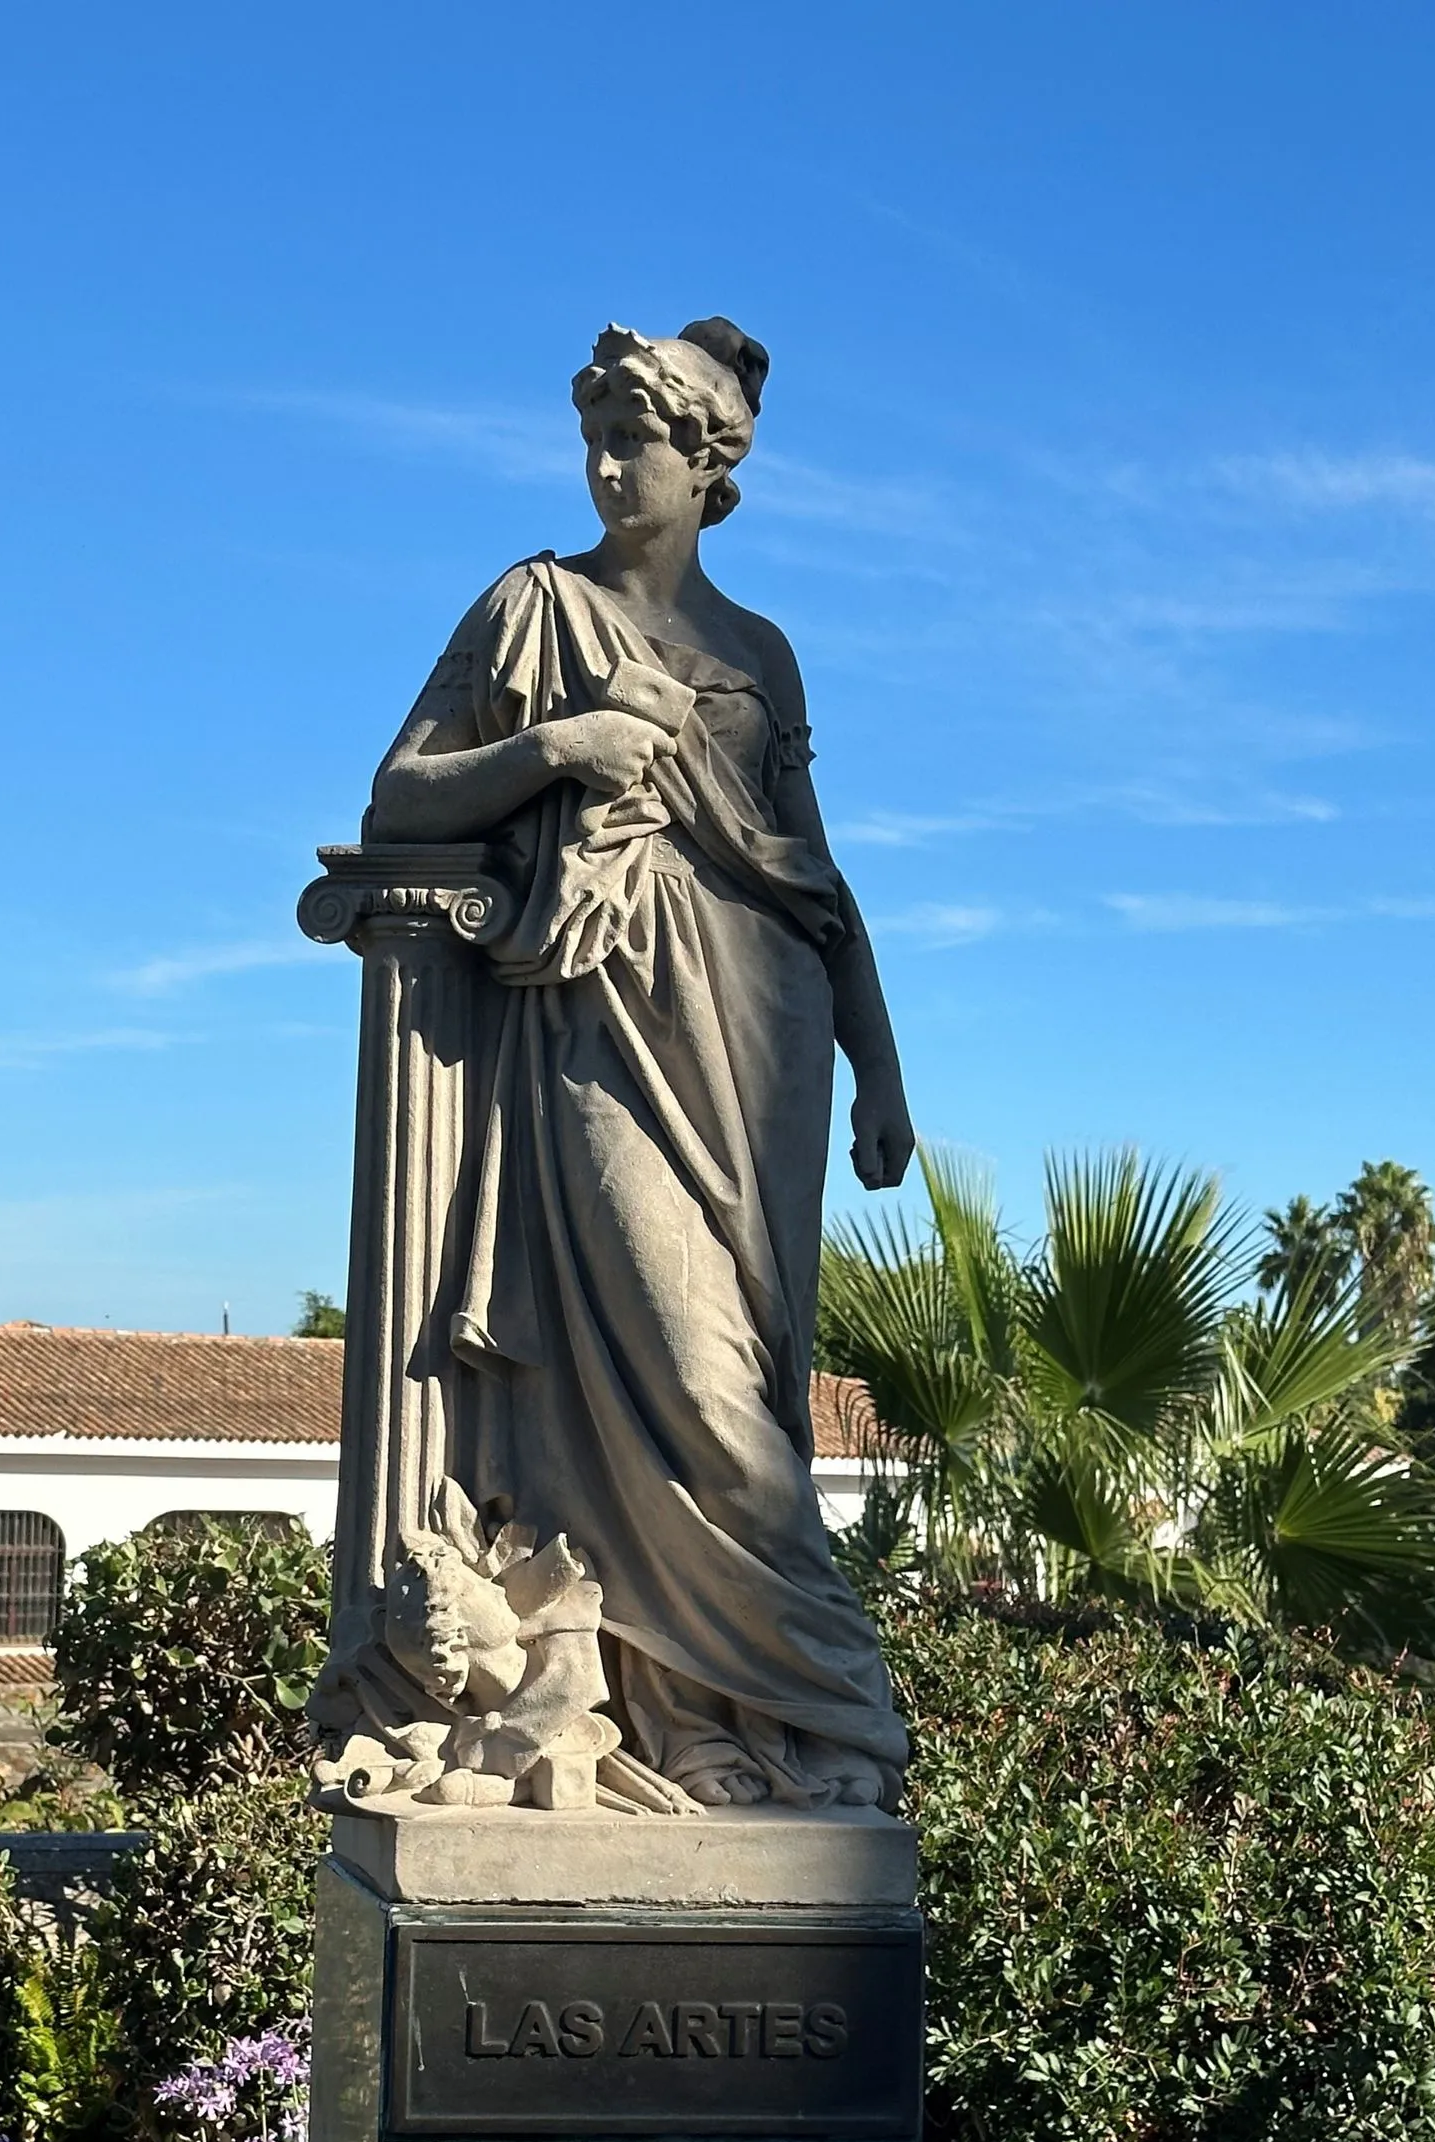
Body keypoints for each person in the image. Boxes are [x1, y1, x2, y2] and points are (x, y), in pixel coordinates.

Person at [365, 319, 915, 1810]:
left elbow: (814, 875)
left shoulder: (761, 654)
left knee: (757, 1391)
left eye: (639, 444)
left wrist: (879, 1068)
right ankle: (839, 1712)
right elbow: (400, 798)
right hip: (603, 1016)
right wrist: (561, 748)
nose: (610, 471)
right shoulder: (530, 608)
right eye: (596, 442)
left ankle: (729, 1728)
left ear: (707, 464)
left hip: (763, 1038)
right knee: (682, 1376)